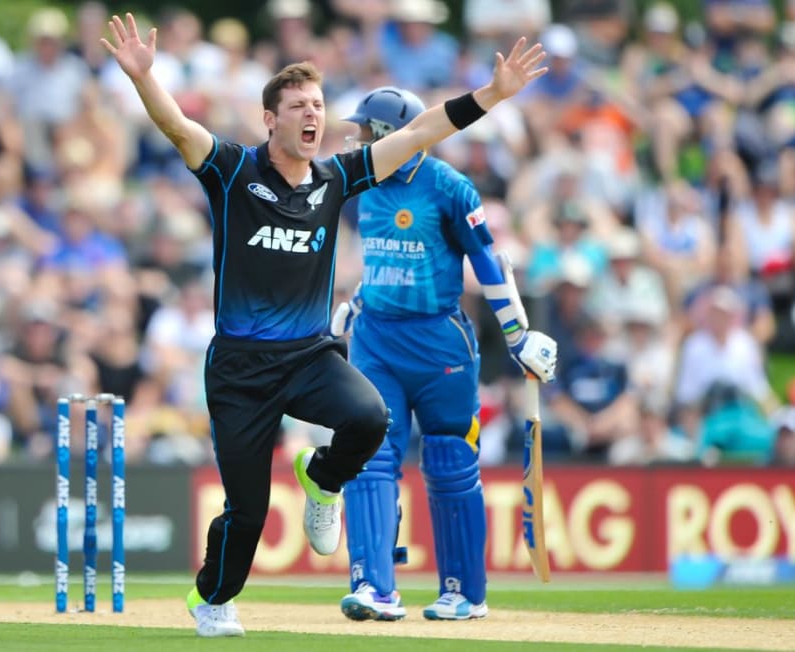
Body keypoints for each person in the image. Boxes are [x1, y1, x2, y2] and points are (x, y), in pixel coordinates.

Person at [102, 12, 553, 637]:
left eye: (318, 104)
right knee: (248, 512)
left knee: (371, 419)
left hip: (310, 356)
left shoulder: (337, 178)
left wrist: (493, 95)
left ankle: (321, 479)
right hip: (240, 368)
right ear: (271, 119)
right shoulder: (233, 171)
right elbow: (177, 127)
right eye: (298, 106)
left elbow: (421, 129)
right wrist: (145, 79)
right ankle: (213, 598)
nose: (313, 115)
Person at [332, 86, 559, 621]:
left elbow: (486, 263)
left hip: (440, 345)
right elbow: (387, 261)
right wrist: (357, 301)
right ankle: (375, 587)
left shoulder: (449, 188)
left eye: (366, 131)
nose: (359, 139)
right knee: (369, 454)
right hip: (377, 341)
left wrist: (518, 336)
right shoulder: (364, 186)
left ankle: (464, 592)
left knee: (451, 461)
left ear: (390, 136)